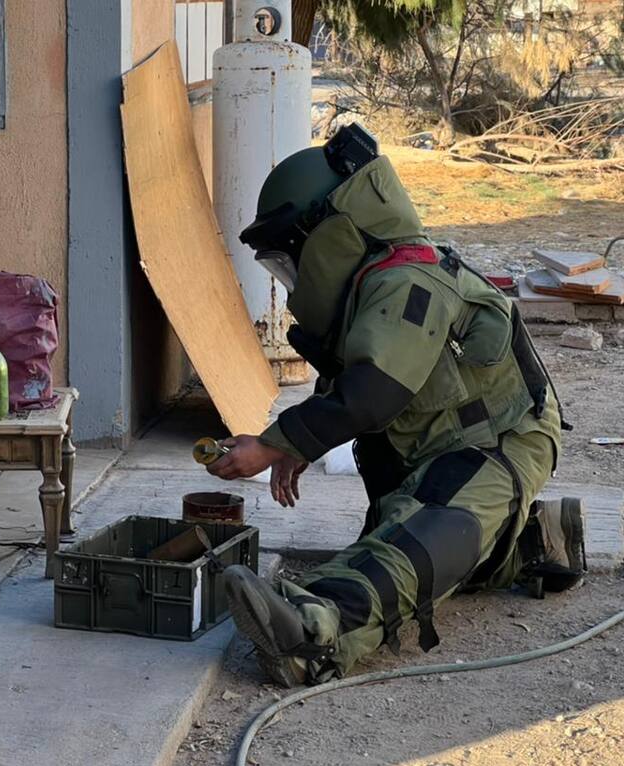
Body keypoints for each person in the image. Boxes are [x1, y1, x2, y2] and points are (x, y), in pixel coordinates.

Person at [206, 125, 585, 688]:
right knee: (406, 539)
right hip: (430, 450)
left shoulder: (410, 282)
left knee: (420, 540)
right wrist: (299, 448)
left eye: (293, 258)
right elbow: (351, 374)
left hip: (495, 445)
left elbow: (373, 392)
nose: (292, 277)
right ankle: (528, 542)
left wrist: (271, 443)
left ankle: (314, 631)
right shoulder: (374, 282)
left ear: (332, 234)